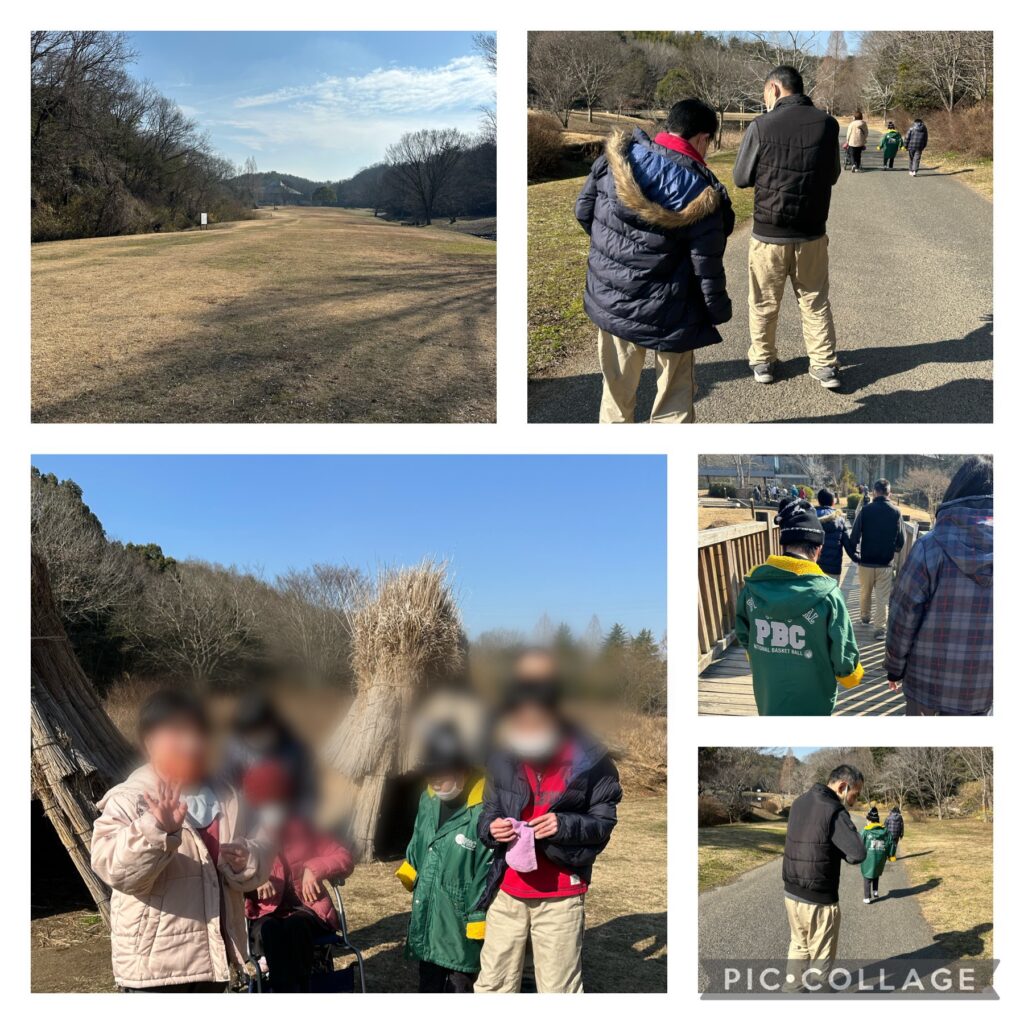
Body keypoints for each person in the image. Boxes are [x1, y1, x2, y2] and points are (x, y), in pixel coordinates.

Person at [91, 689, 270, 992]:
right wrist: (156, 828)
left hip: (214, 961)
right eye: (175, 732)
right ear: (150, 742)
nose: (189, 743)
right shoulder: (130, 799)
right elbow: (112, 869)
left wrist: (249, 859)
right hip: (156, 969)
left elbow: (261, 852)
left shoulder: (227, 797)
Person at [575, 98, 734, 423]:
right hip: (673, 312)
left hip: (614, 299)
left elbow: (583, 211)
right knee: (674, 403)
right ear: (702, 138)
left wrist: (613, 251)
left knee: (615, 399)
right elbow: (707, 266)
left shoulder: (616, 158)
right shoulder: (702, 191)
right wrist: (718, 311)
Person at [474, 650, 622, 992]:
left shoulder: (594, 761)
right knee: (493, 986)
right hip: (507, 891)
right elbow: (487, 816)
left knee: (558, 990)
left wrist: (564, 825)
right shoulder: (502, 758)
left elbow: (603, 824)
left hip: (560, 895)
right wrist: (492, 830)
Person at [732, 66, 843, 390]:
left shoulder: (762, 125)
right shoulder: (828, 124)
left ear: (775, 89)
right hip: (812, 233)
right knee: (815, 300)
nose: (764, 100)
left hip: (769, 233)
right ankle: (824, 365)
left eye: (765, 93)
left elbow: (741, 177)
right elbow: (833, 174)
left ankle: (764, 361)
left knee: (764, 301)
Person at [735, 498, 863, 715]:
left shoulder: (751, 589)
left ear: (783, 545)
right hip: (814, 697)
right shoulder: (829, 595)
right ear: (819, 549)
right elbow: (843, 655)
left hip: (769, 694)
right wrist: (850, 674)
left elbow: (744, 635)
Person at [886, 456, 993, 715]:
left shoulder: (930, 546)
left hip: (926, 691)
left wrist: (894, 668)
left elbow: (902, 616)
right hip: (983, 694)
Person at [396, 720, 493, 993]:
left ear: (462, 768)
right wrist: (411, 870)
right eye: (431, 774)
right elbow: (418, 838)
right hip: (427, 914)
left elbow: (486, 871)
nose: (435, 782)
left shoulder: (483, 810)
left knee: (459, 988)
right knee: (427, 984)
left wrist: (477, 920)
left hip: (459, 926)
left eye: (442, 773)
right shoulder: (428, 800)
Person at [242, 759, 354, 993]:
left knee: (295, 926)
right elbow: (230, 872)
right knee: (272, 930)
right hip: (264, 915)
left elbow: (344, 857)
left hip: (308, 911)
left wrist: (315, 869)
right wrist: (256, 877)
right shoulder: (245, 834)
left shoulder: (304, 829)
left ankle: (289, 991)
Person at [782, 765, 866, 990]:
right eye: (854, 794)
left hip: (791, 891)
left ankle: (791, 993)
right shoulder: (834, 810)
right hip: (819, 898)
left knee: (799, 945)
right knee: (821, 958)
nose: (854, 800)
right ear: (842, 786)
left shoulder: (799, 802)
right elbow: (857, 853)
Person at [221, 691, 318, 816]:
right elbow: (224, 783)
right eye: (250, 732)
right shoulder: (235, 747)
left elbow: (307, 792)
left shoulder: (293, 749)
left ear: (272, 724)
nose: (256, 737)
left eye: (259, 729)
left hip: (286, 816)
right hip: (244, 816)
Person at [849, 479, 905, 640]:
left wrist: (855, 553)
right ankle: (880, 629)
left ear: (874, 492)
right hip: (885, 563)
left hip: (866, 561)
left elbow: (854, 535)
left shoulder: (866, 510)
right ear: (889, 493)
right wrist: (893, 549)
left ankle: (865, 617)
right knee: (882, 598)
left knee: (865, 592)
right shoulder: (896, 512)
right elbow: (901, 540)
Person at [815, 488, 858, 580]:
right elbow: (847, 544)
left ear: (818, 501)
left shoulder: (811, 517)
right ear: (833, 502)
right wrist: (858, 558)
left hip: (814, 568)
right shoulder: (839, 519)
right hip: (833, 568)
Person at [860, 807, 897, 903]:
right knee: (876, 872)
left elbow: (859, 842)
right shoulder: (885, 831)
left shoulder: (866, 831)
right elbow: (891, 842)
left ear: (869, 820)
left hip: (868, 857)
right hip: (880, 857)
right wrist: (891, 855)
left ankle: (867, 897)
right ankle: (875, 891)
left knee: (867, 876)